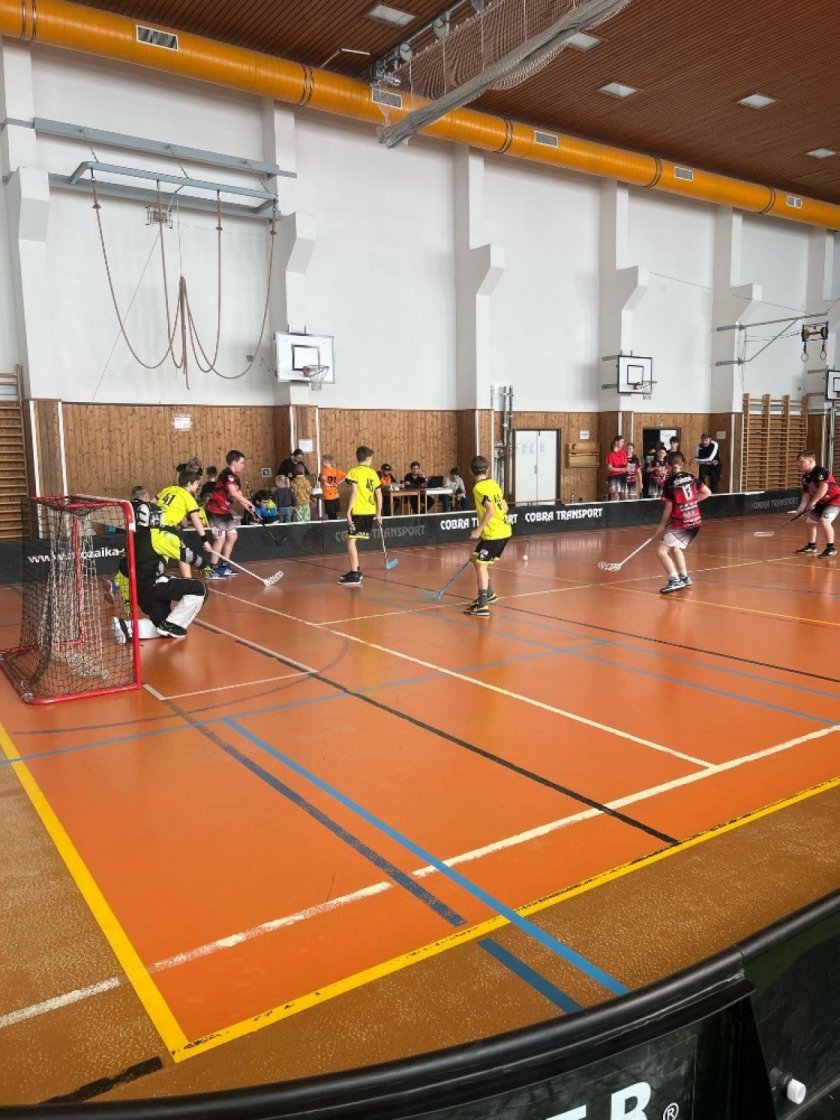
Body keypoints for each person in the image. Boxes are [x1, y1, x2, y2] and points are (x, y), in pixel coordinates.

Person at [109, 489, 208, 642]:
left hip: (141, 593)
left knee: (161, 625)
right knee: (200, 589)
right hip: (155, 586)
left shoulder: (133, 538)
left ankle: (126, 628)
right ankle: (173, 625)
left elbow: (124, 569)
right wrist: (205, 565)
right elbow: (186, 555)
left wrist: (128, 599)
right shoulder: (159, 536)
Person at [654, 452, 711, 594]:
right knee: (675, 548)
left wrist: (661, 525)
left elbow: (668, 508)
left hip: (682, 522)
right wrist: (692, 502)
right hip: (695, 521)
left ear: (668, 465)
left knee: (661, 551)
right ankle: (684, 577)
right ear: (682, 463)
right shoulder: (692, 478)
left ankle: (674, 580)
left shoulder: (669, 483)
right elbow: (707, 492)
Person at [465, 455, 511, 618]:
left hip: (494, 534)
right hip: (503, 529)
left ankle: (483, 605)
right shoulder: (493, 484)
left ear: (471, 471)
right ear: (488, 470)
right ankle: (489, 594)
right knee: (475, 558)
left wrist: (478, 530)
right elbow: (504, 507)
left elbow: (490, 510)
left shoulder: (478, 488)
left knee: (481, 564)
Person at [204, 449, 257, 578]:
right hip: (215, 510)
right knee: (220, 539)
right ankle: (211, 570)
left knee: (232, 536)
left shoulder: (236, 478)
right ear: (234, 462)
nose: (243, 465)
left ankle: (224, 566)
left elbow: (239, 495)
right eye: (241, 463)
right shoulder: (226, 475)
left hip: (225, 511)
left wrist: (249, 509)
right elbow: (233, 493)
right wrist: (251, 503)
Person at [155, 468, 215, 579]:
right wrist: (205, 541)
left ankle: (185, 579)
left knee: (166, 555)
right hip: (166, 530)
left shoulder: (169, 489)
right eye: (196, 483)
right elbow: (196, 520)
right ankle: (190, 579)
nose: (198, 486)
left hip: (153, 527)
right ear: (189, 484)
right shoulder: (188, 497)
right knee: (184, 554)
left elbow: (152, 503)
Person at [338, 446, 382, 586]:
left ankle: (355, 574)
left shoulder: (354, 472)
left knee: (351, 541)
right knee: (350, 540)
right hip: (369, 511)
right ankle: (355, 570)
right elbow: (379, 494)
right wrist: (378, 513)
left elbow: (354, 492)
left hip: (359, 511)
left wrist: (348, 511)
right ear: (368, 459)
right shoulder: (373, 473)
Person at [792, 450, 840, 558]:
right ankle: (811, 546)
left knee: (824, 520)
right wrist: (800, 509)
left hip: (835, 500)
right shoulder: (805, 477)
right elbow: (806, 494)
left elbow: (824, 488)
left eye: (802, 462)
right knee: (810, 521)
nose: (799, 464)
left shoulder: (820, 471)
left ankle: (831, 548)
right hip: (822, 502)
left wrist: (813, 502)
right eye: (798, 462)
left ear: (811, 461)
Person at [319, 455, 346, 520]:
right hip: (335, 495)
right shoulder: (335, 470)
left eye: (322, 461)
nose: (321, 463)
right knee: (334, 514)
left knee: (331, 515)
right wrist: (337, 483)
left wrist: (325, 483)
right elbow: (346, 476)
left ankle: (333, 525)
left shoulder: (324, 470)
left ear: (326, 462)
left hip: (328, 496)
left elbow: (323, 480)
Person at [605, 435, 628, 501]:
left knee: (624, 496)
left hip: (623, 476)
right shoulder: (610, 454)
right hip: (614, 476)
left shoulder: (623, 452)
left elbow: (625, 464)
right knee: (614, 496)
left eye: (623, 442)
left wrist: (628, 467)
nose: (623, 444)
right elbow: (609, 468)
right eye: (621, 442)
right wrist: (621, 469)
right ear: (616, 442)